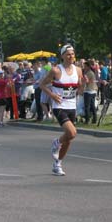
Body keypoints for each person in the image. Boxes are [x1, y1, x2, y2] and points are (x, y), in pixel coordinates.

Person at [41, 44, 85, 176]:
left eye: (72, 54)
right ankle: (56, 142)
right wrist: (53, 95)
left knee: (69, 139)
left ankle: (57, 164)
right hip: (59, 106)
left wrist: (83, 84)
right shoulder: (56, 71)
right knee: (72, 133)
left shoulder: (78, 70)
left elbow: (80, 90)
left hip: (72, 106)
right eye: (68, 54)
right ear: (62, 56)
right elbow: (42, 85)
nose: (71, 56)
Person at [82, 59, 98, 124]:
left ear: (88, 67)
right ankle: (94, 119)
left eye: (85, 66)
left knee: (87, 106)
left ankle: (87, 120)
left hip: (88, 91)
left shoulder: (88, 73)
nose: (84, 68)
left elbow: (87, 82)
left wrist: (84, 78)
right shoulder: (91, 72)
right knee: (92, 105)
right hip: (93, 91)